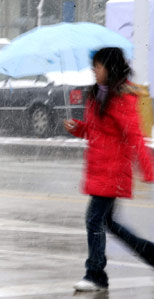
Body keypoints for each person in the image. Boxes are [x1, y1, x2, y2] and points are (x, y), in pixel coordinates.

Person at [64, 47, 154, 292]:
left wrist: (149, 169)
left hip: (113, 172)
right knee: (108, 224)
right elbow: (96, 130)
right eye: (93, 65)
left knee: (94, 220)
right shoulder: (98, 95)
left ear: (111, 68)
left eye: (98, 65)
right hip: (100, 170)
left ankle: (95, 274)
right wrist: (78, 128)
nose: (94, 70)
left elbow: (135, 135)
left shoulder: (121, 98)